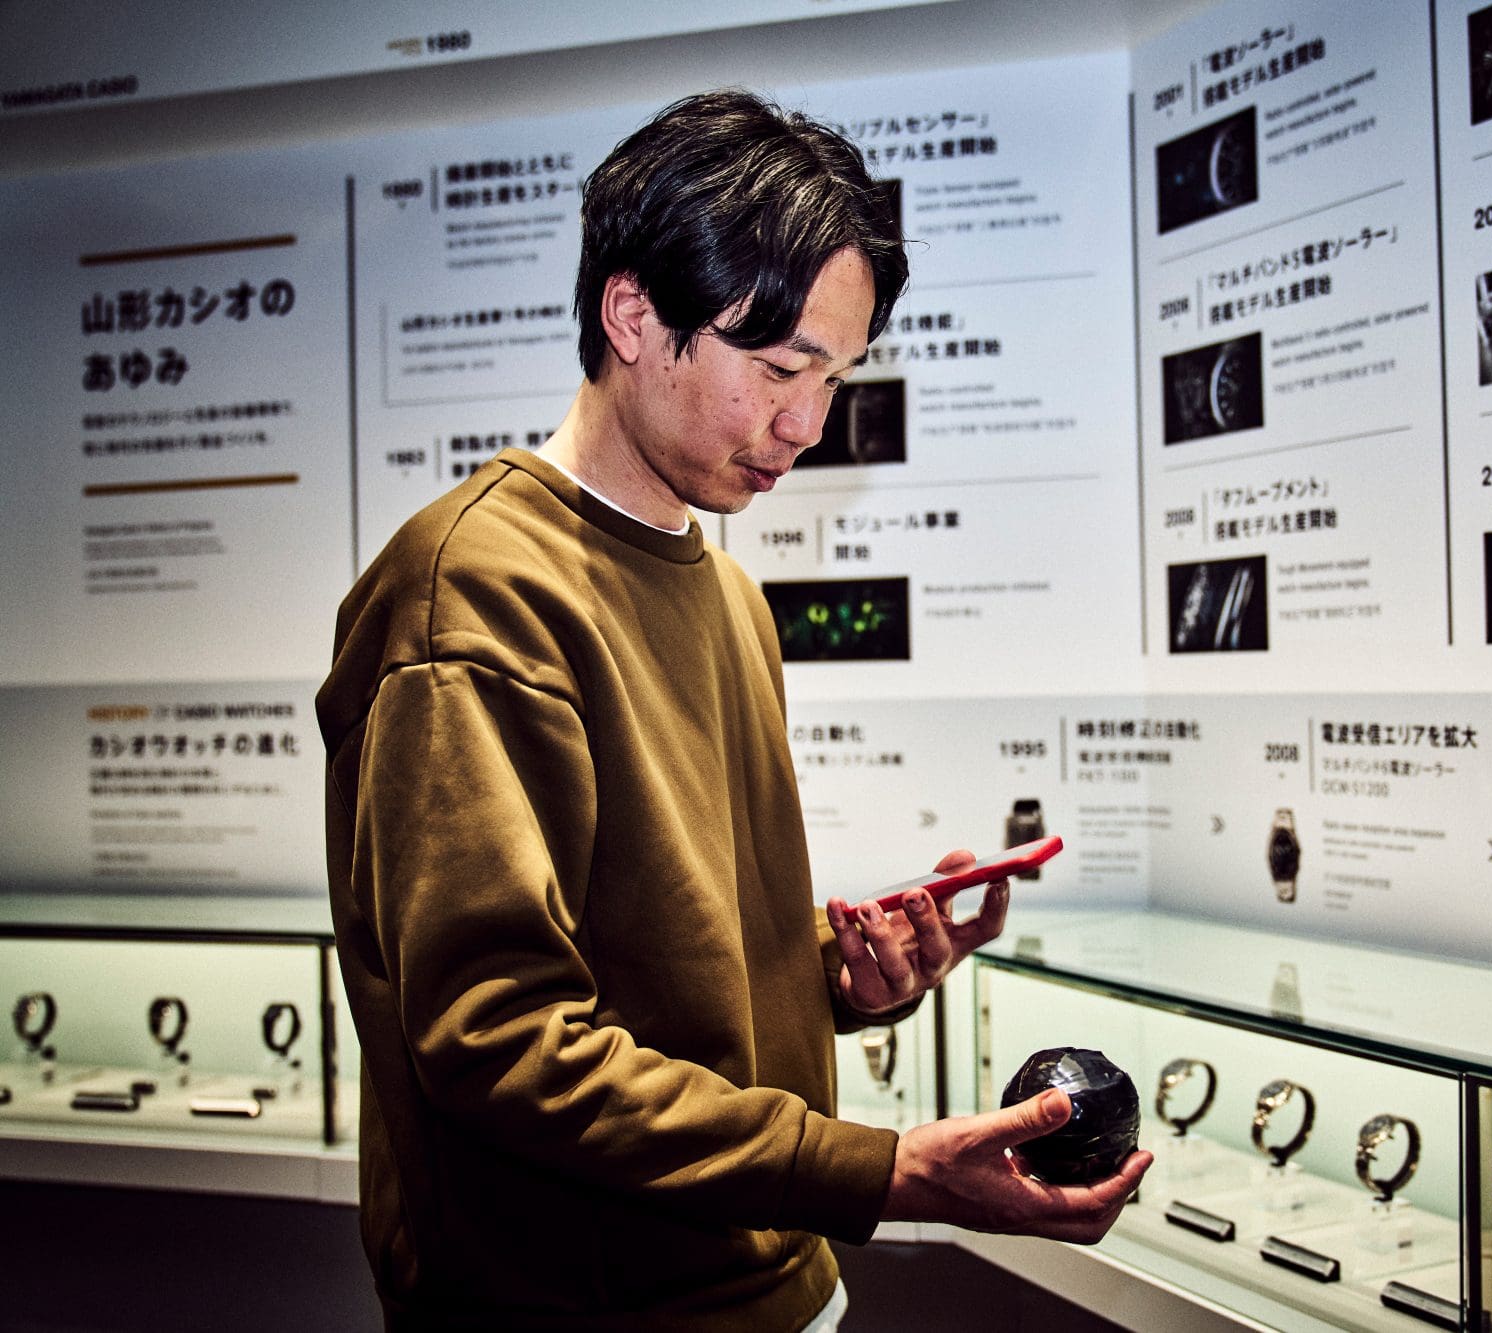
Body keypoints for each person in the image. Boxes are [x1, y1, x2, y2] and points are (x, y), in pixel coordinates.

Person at [317, 89, 1149, 1331]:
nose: (806, 425)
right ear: (633, 313)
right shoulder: (473, 593)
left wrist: (837, 975)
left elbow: (656, 967)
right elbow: (497, 1043)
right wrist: (880, 1168)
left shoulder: (727, 592)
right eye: (778, 367)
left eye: (835, 376)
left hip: (773, 1280)